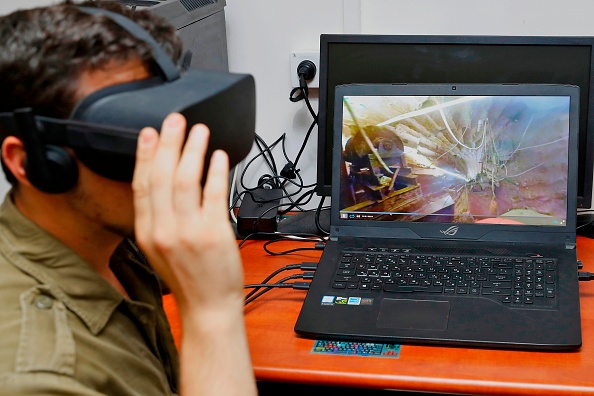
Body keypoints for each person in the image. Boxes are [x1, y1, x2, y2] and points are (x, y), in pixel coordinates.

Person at [0, 1, 256, 395]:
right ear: (31, 161)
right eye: (129, 134)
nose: (166, 160)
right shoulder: (41, 374)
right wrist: (211, 311)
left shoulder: (112, 248)